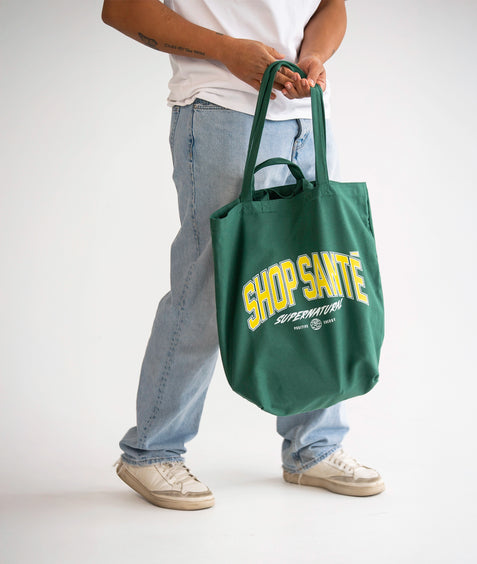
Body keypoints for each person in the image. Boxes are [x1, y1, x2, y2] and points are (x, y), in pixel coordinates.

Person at [102, 0, 385, 511]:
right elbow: (122, 8)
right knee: (210, 288)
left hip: (306, 115)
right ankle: (152, 450)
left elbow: (331, 6)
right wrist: (226, 51)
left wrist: (315, 56)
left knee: (316, 282)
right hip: (221, 112)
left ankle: (314, 445)